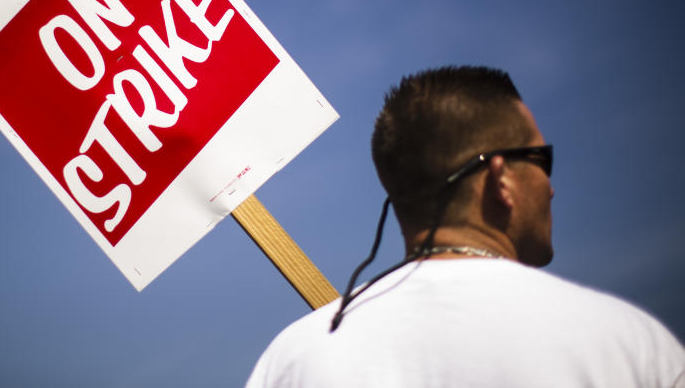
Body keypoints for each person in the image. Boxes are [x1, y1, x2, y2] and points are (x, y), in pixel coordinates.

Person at [245, 66, 685, 387]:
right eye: (541, 160)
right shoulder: (623, 342)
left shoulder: (292, 361)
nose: (550, 187)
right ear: (500, 179)